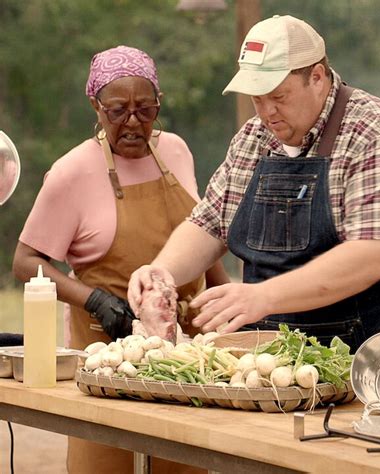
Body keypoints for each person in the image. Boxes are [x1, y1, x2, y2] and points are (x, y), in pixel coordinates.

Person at [129, 15, 380, 388]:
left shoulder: (379, 132)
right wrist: (161, 273)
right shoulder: (254, 138)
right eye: (257, 98)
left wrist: (263, 297)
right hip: (280, 358)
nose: (266, 112)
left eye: (278, 96)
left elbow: (374, 254)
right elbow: (209, 223)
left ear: (317, 77)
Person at [13, 45, 227, 474]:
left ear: (158, 104)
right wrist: (93, 300)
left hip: (184, 354)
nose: (133, 122)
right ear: (95, 106)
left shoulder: (178, 152)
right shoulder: (71, 172)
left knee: (185, 459)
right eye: (117, 111)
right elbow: (25, 261)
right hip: (106, 354)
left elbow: (204, 234)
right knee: (105, 461)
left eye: (145, 109)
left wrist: (222, 299)